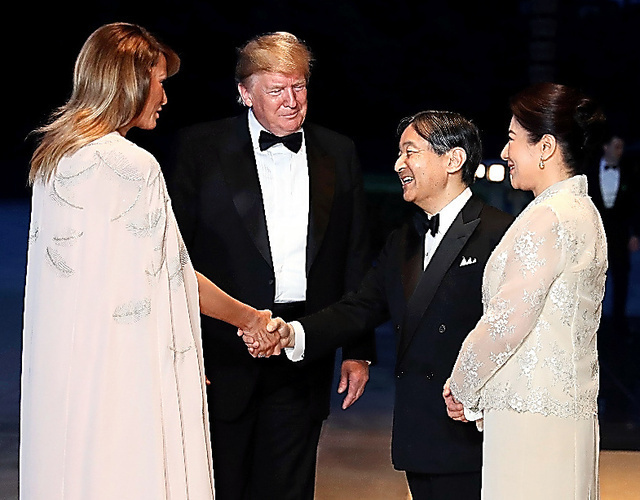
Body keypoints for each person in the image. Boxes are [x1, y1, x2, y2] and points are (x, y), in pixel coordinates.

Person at [20, 22, 278, 500]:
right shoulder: (133, 167)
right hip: (124, 378)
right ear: (131, 82)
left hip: (66, 378)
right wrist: (251, 319)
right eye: (159, 82)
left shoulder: (54, 161)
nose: (164, 97)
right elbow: (176, 279)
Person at [243, 110, 514, 499]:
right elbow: (359, 307)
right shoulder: (403, 240)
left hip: (477, 435)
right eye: (399, 153)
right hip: (421, 437)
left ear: (453, 160)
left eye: (410, 152)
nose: (399, 164)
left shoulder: (500, 234)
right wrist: (292, 333)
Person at [168, 31, 375, 500]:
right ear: (245, 93)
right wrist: (180, 347)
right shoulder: (200, 148)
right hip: (220, 350)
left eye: (299, 86)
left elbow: (355, 254)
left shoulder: (338, 152)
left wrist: (357, 348)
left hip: (304, 346)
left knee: (289, 487)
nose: (292, 101)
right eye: (276, 89)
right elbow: (175, 257)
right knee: (219, 485)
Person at [444, 82, 608, 499]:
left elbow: (507, 322)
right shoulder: (582, 211)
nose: (505, 152)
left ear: (546, 147)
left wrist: (461, 383)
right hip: (562, 412)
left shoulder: (549, 217)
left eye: (513, 139)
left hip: (531, 420)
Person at [587, 133, 640, 333]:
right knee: (592, 278)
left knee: (621, 278)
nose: (620, 151)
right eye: (616, 146)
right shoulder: (589, 171)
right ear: (605, 147)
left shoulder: (629, 171)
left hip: (620, 233)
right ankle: (591, 325)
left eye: (622, 147)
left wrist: (634, 234)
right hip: (595, 233)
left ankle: (619, 323)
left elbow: (634, 205)